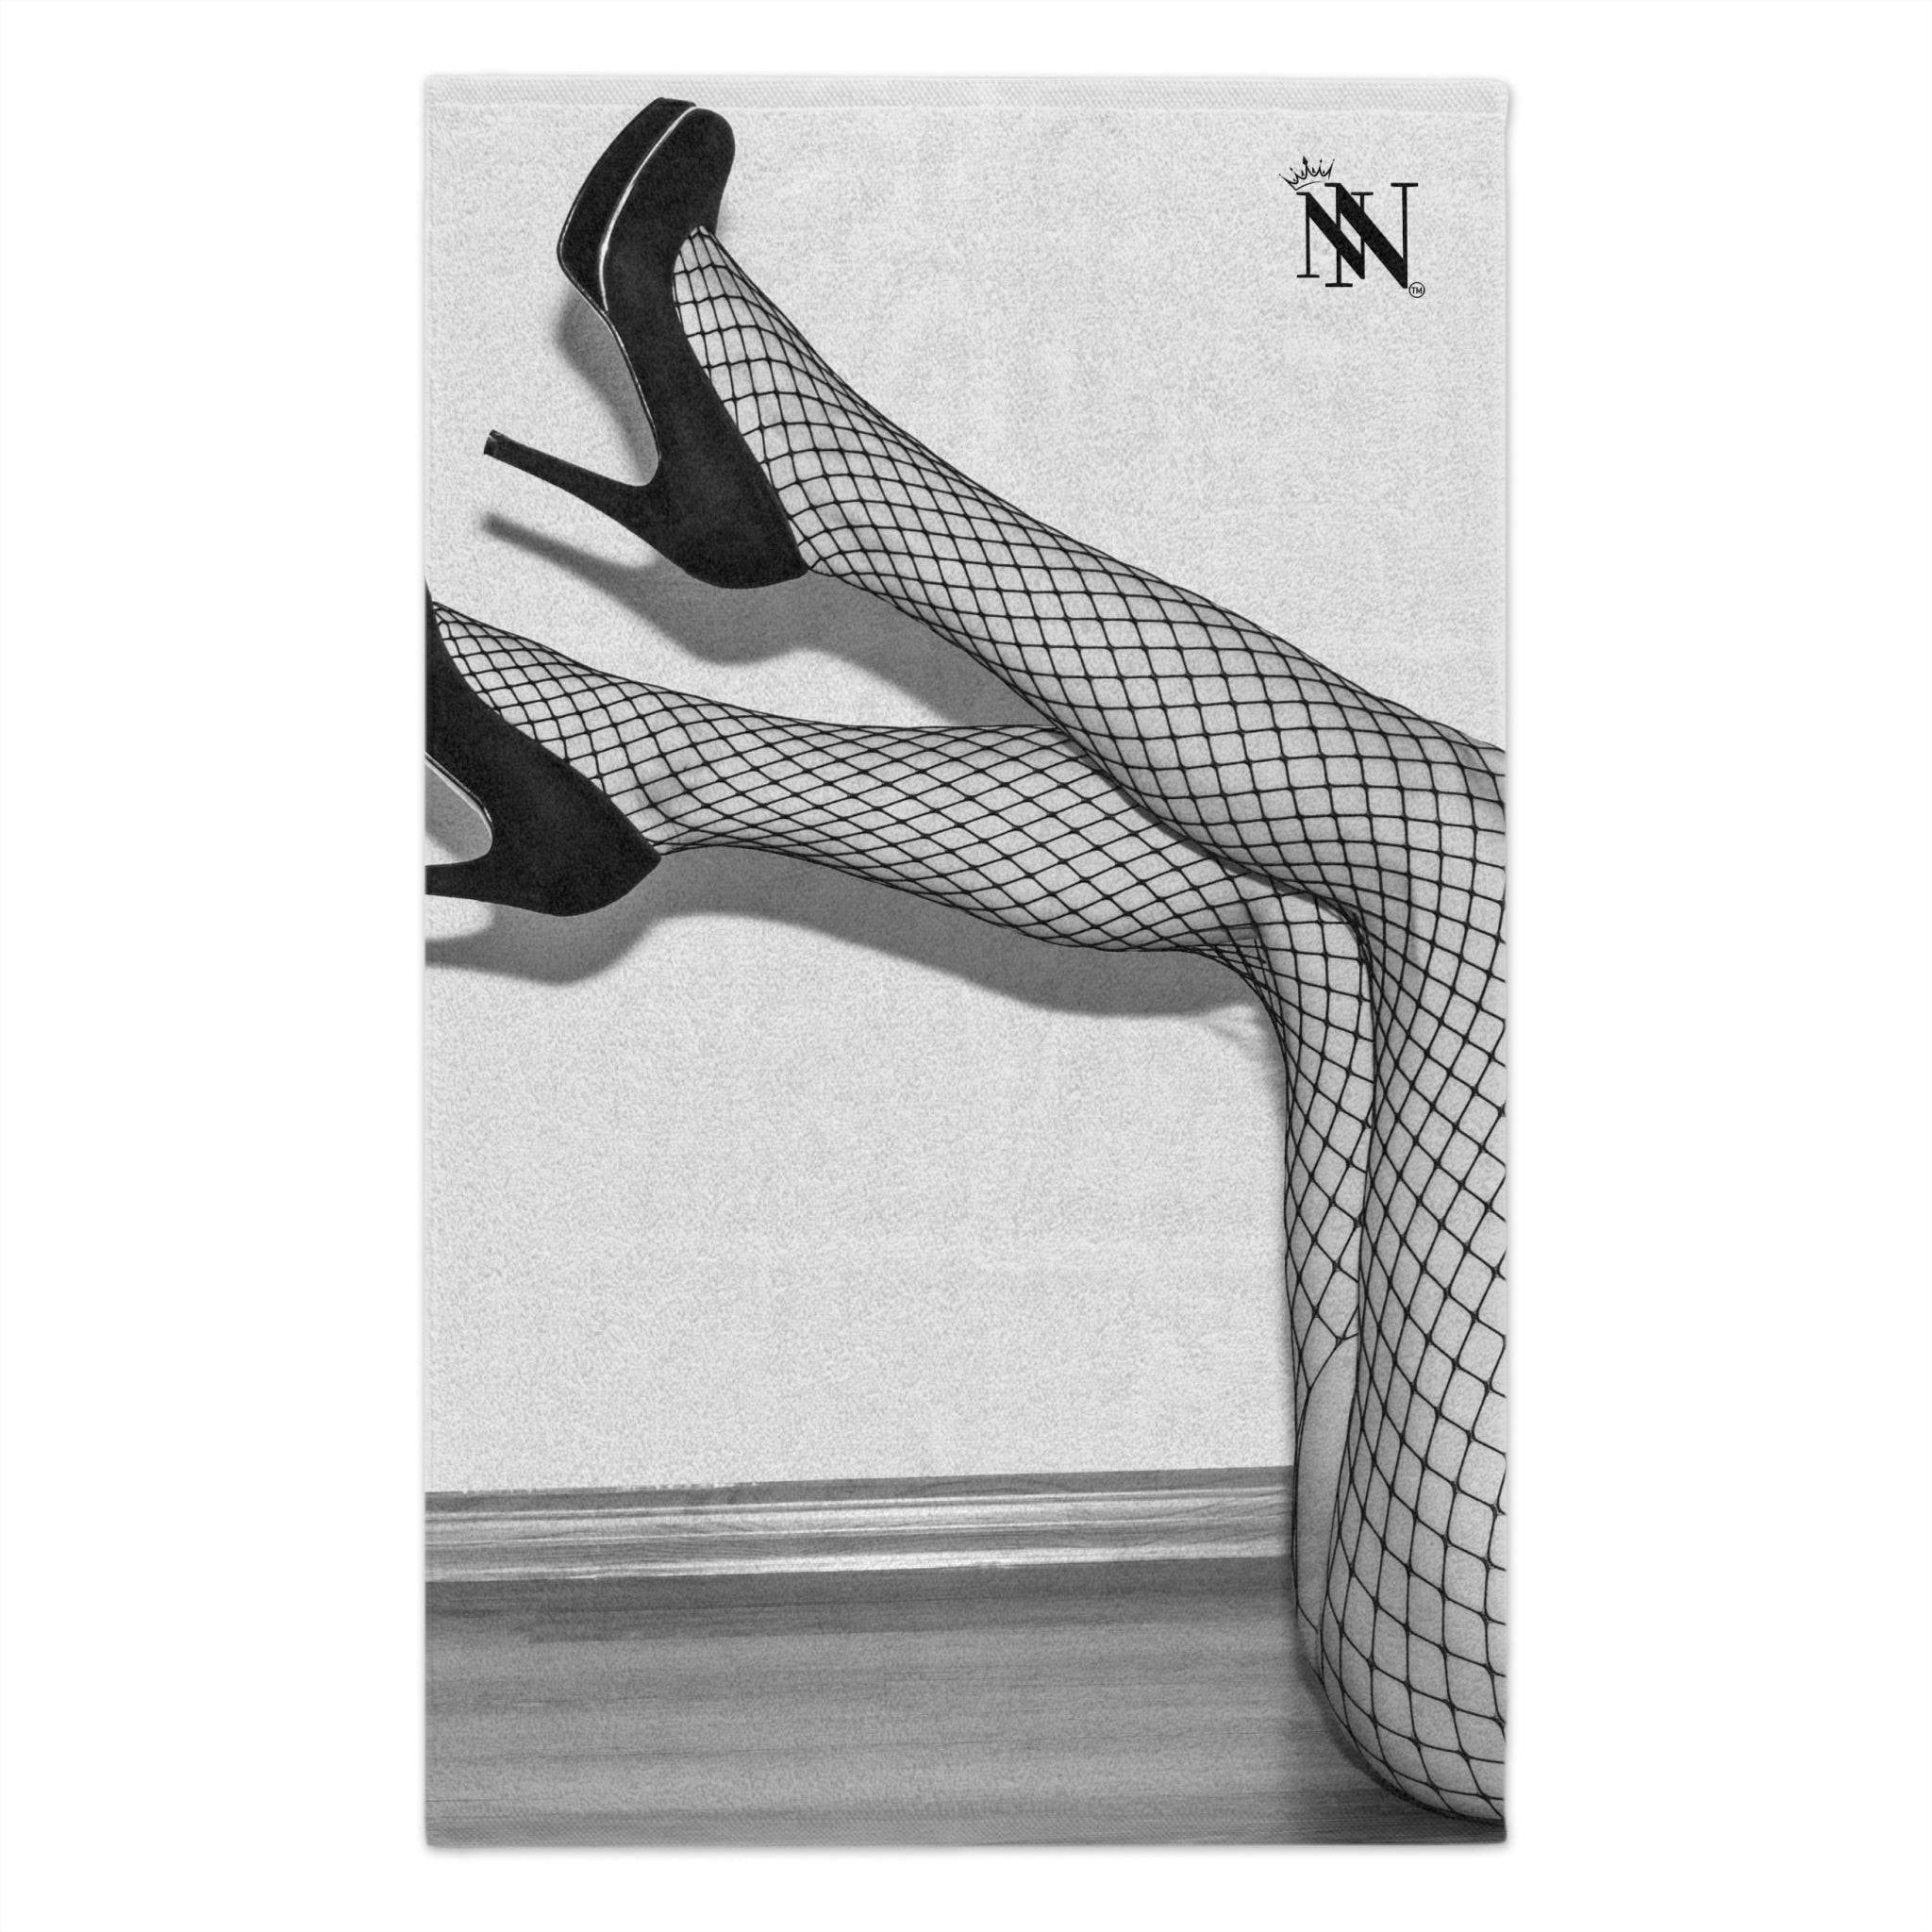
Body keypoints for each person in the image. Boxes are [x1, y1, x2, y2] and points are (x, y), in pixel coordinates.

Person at [439, 100, 1507, 1820]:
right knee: (1316, 894)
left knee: (1473, 859)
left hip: (1493, 1682)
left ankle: (791, 555)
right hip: (1437, 1610)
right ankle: (655, 756)